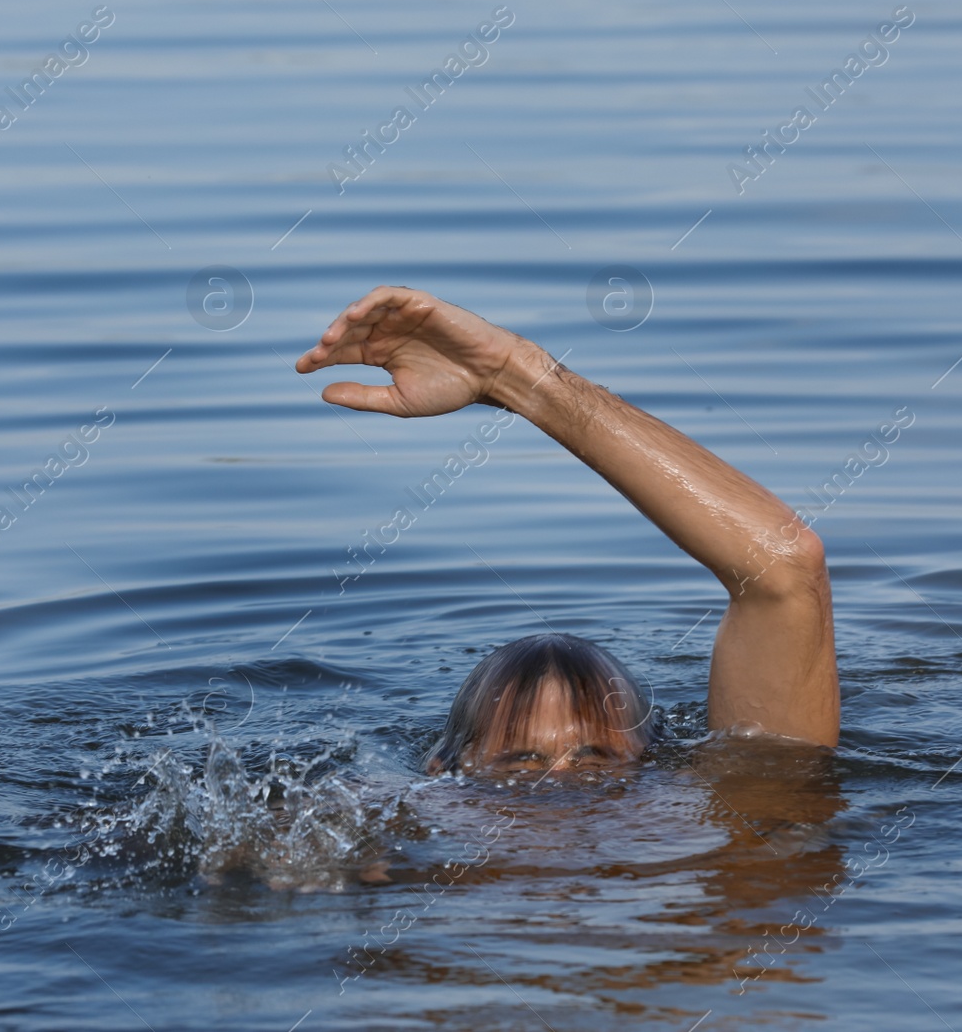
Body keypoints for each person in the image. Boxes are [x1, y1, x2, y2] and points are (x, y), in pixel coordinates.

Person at [295, 286, 838, 774]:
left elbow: (784, 570)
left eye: (593, 761)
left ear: (651, 762)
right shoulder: (403, 844)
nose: (558, 791)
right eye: (521, 764)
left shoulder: (722, 809)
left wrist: (516, 373)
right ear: (443, 772)